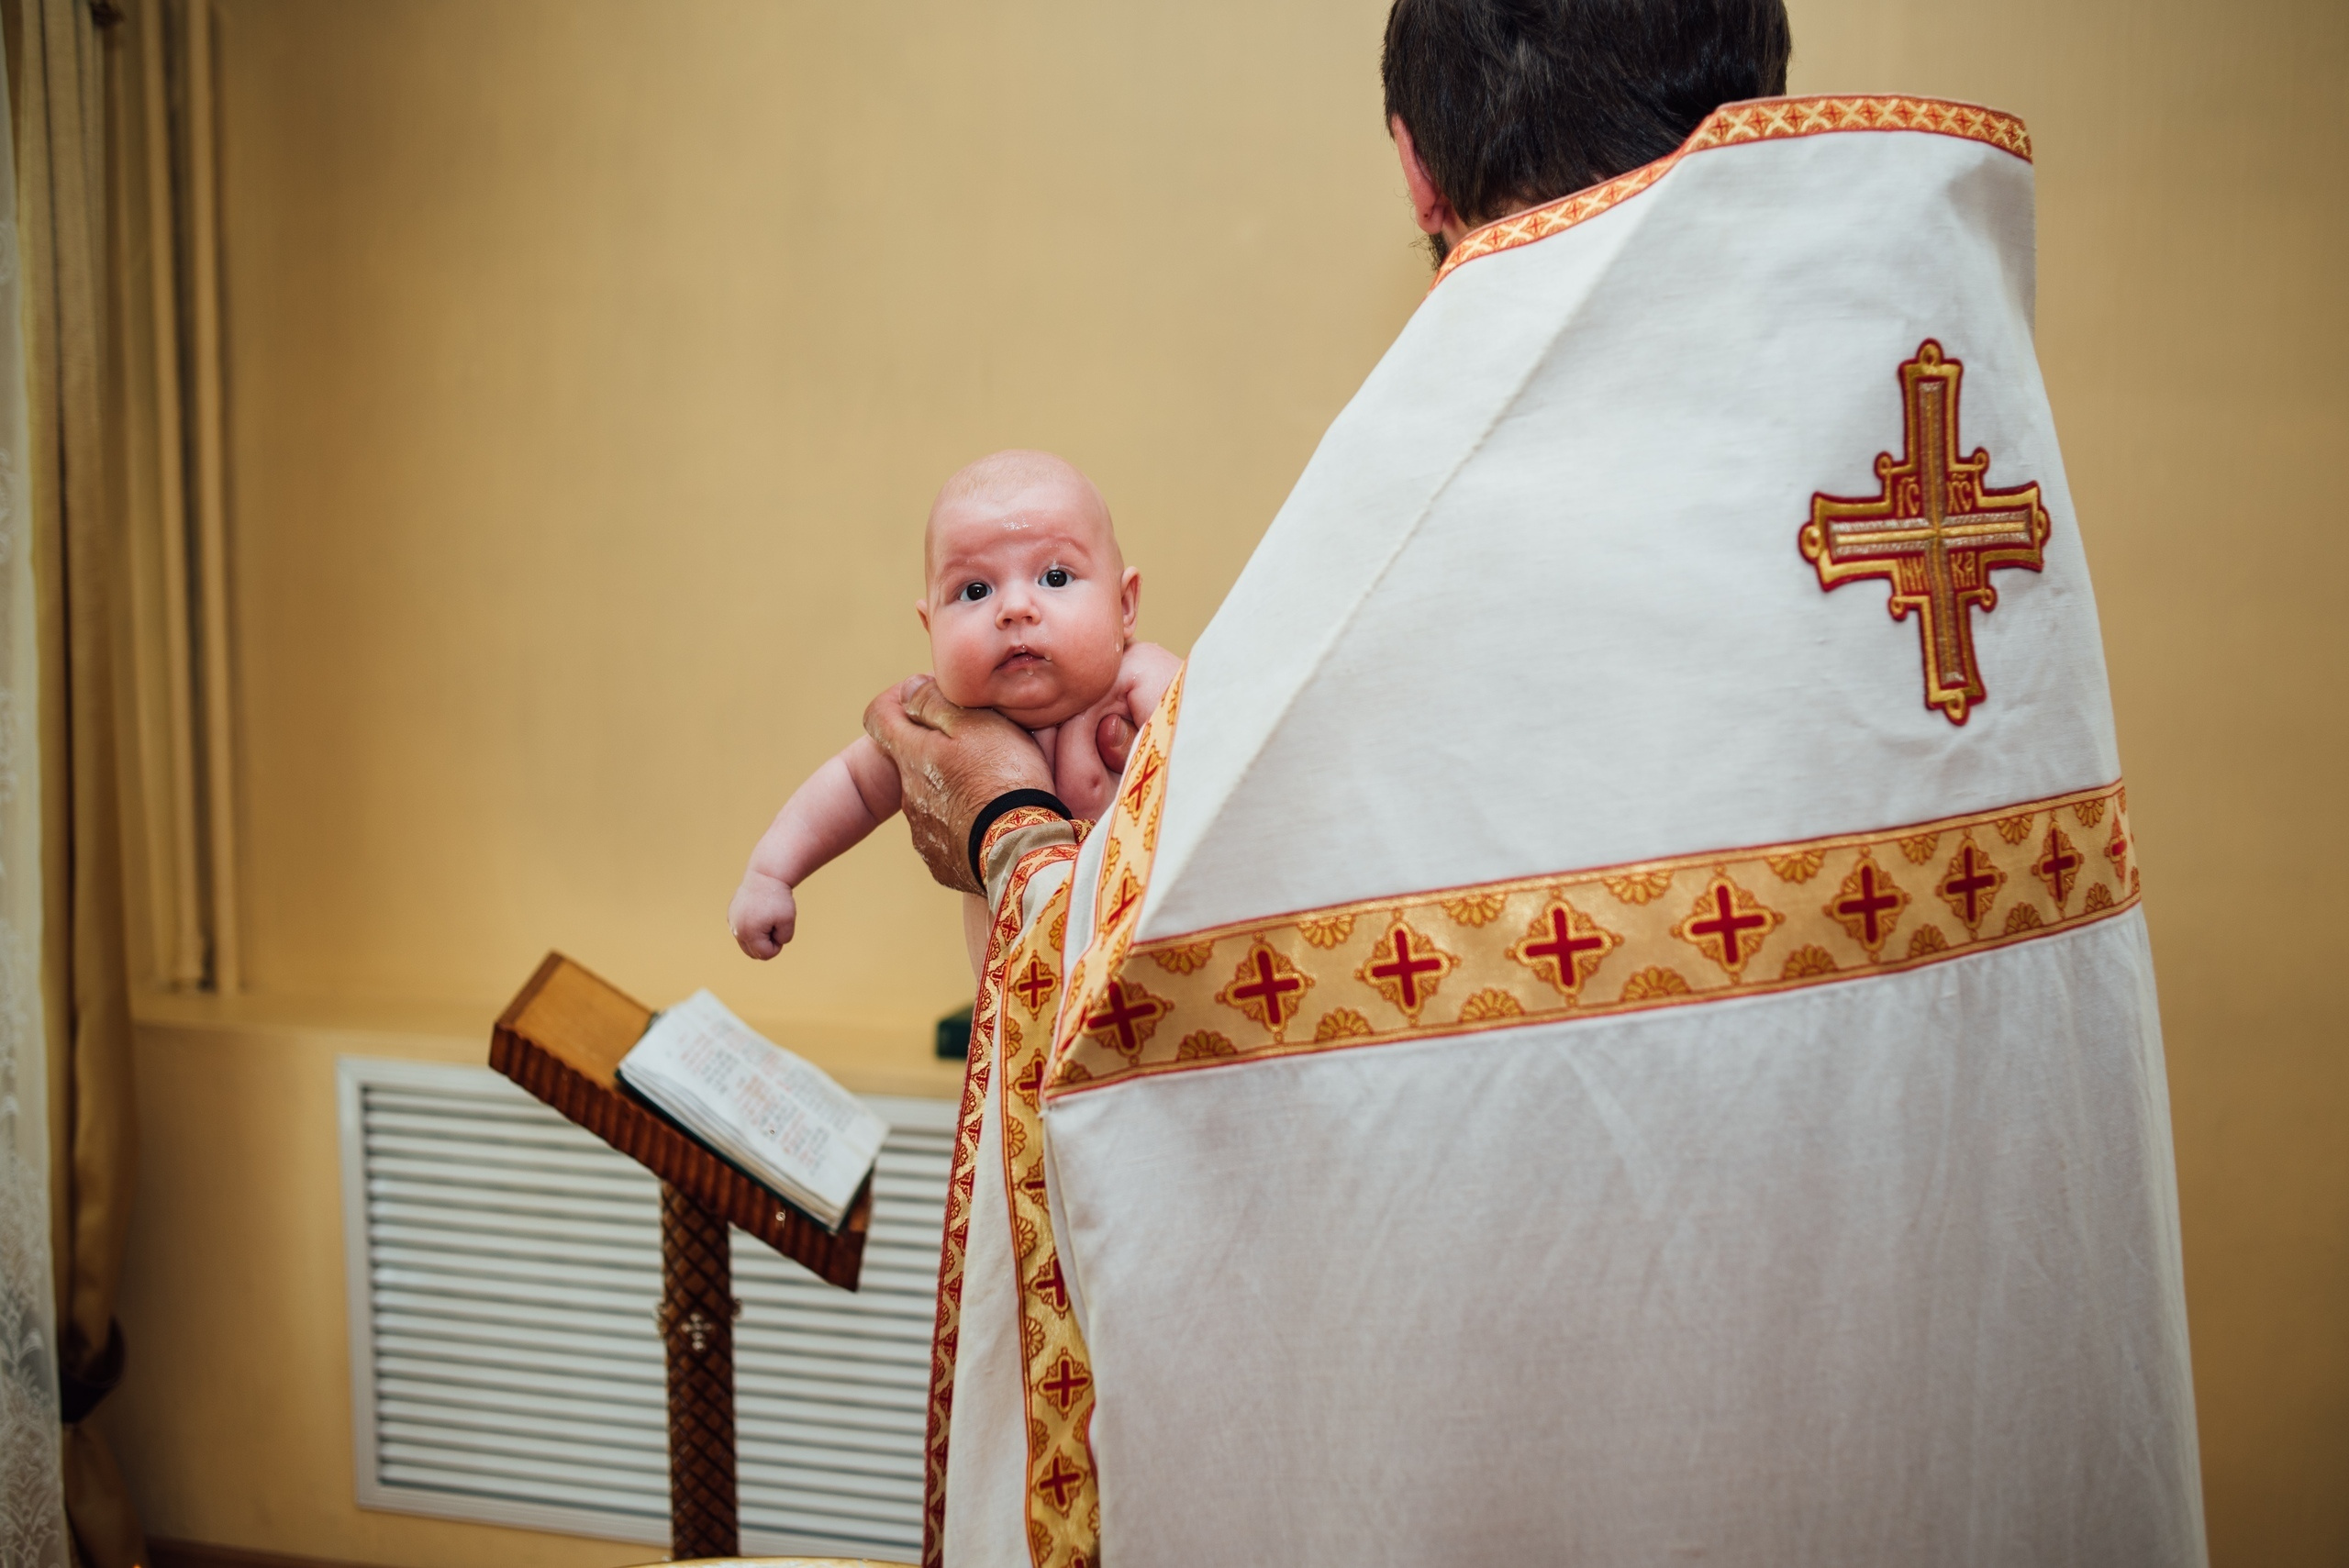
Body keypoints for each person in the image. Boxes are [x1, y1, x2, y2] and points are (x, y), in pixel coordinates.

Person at [865, 2, 2207, 1563]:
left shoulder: (1439, 515)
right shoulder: (1957, 418)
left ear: (1417, 167)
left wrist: (1002, 818)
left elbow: (1116, 1008)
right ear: (1752, 84)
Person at [727, 450, 1178, 973]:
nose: (1015, 608)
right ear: (930, 629)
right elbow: (851, 784)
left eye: (1055, 577)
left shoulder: (1141, 680)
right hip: (1019, 1015)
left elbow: (1222, 753)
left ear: (1124, 607)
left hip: (1153, 974)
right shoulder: (944, 728)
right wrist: (770, 874)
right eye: (975, 590)